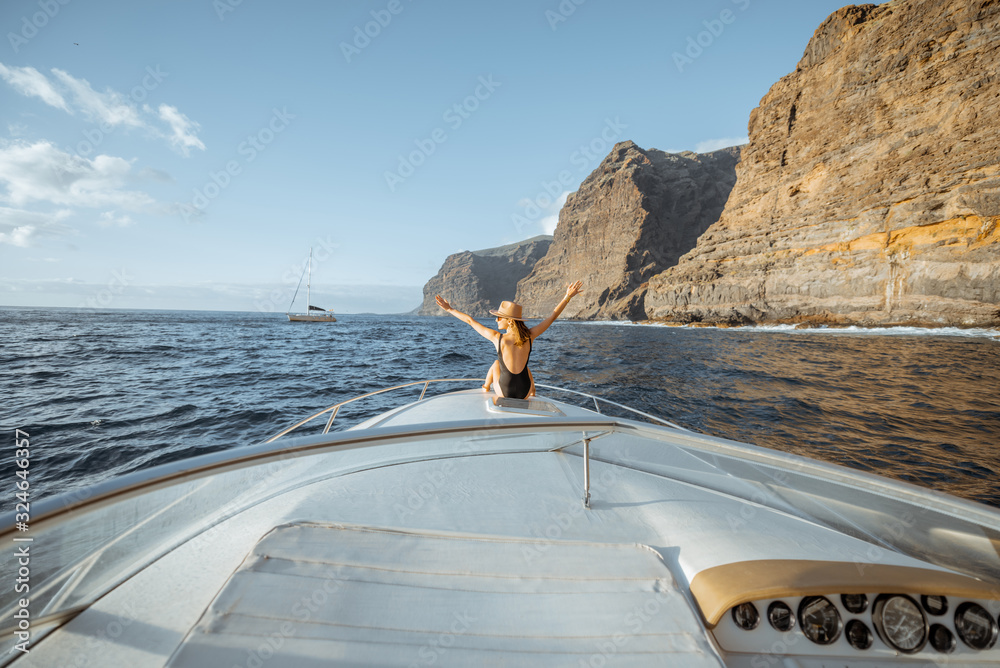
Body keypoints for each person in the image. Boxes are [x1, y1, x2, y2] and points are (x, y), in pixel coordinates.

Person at [435, 281, 583, 400]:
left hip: (505, 393)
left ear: (510, 322)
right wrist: (567, 296)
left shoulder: (498, 338)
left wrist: (449, 309)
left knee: (496, 364)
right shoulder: (530, 336)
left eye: (499, 317)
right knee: (526, 368)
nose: (496, 320)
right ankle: (533, 393)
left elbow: (470, 321)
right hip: (524, 393)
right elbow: (552, 317)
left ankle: (485, 387)